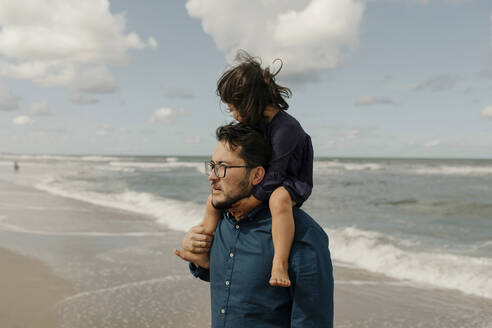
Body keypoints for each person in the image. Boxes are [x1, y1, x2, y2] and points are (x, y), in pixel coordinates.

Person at [174, 123, 333, 328]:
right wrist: (199, 257)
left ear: (257, 175)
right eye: (212, 166)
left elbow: (313, 322)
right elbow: (234, 283)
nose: (212, 176)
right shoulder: (223, 221)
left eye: (223, 167)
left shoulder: (303, 234)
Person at [201, 51, 314, 287]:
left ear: (250, 102)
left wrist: (252, 201)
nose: (233, 114)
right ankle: (204, 245)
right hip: (263, 176)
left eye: (234, 108)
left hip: (290, 179)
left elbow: (277, 173)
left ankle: (279, 263)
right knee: (213, 200)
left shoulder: (286, 128)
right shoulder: (253, 124)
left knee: (278, 200)